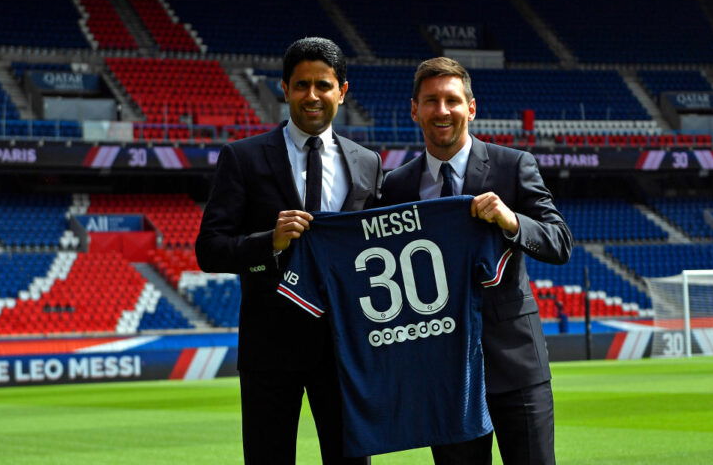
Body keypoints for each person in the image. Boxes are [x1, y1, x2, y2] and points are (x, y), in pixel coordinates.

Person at [196, 37, 381, 465]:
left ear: (342, 90)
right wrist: (270, 242)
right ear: (284, 88)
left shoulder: (368, 162)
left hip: (344, 349)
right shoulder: (242, 158)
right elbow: (209, 250)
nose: (311, 96)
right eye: (301, 85)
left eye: (323, 85)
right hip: (270, 350)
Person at [380, 57, 572, 465]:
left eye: (452, 100)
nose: (442, 111)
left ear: (471, 106)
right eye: (431, 101)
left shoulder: (513, 165)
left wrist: (511, 220)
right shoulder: (396, 187)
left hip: (516, 366)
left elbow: (559, 243)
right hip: (444, 376)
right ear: (414, 110)